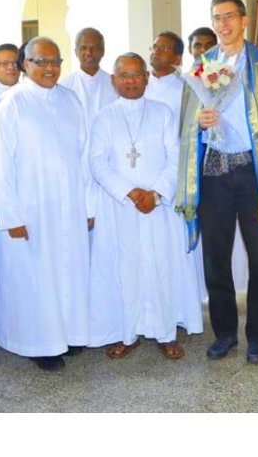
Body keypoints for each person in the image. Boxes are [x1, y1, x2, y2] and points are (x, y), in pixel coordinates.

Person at [177, 0, 258, 364]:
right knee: (215, 257)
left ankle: (257, 337)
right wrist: (200, 124)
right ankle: (224, 333)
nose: (222, 25)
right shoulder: (199, 67)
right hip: (215, 172)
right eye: (216, 18)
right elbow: (185, 124)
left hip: (253, 173)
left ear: (243, 22)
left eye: (229, 17)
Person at [87, 53, 203, 359]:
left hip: (158, 208)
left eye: (136, 74)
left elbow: (175, 157)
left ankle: (165, 333)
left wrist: (155, 194)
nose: (130, 81)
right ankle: (127, 333)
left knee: (160, 266)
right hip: (120, 207)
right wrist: (129, 191)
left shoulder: (163, 113)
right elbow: (97, 162)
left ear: (146, 78)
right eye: (123, 75)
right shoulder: (104, 117)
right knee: (125, 269)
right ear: (113, 81)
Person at [0, 37, 93, 372]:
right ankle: (39, 343)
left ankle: (68, 334)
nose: (50, 68)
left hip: (70, 204)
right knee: (36, 275)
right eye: (42, 61)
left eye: (55, 61)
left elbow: (85, 155)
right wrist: (11, 215)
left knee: (68, 271)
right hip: (31, 208)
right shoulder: (12, 104)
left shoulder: (71, 100)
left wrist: (88, 206)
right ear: (25, 64)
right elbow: (1, 164)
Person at [59, 27, 116, 124]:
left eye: (94, 48)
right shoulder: (64, 87)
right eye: (83, 48)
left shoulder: (115, 85)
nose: (89, 53)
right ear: (76, 52)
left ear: (102, 51)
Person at [146, 31, 185, 125]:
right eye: (154, 47)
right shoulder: (139, 84)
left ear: (177, 59)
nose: (156, 52)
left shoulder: (186, 88)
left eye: (163, 48)